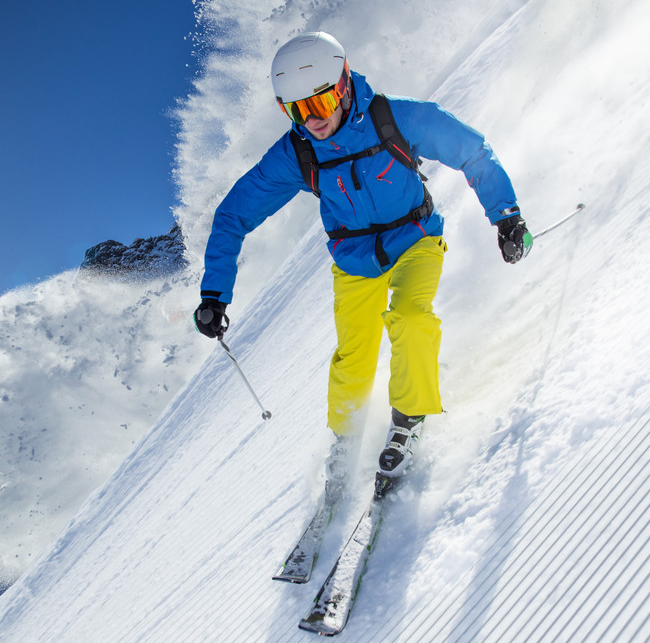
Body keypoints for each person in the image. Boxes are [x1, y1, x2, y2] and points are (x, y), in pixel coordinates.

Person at [194, 31, 530, 501]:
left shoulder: (395, 118)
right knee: (354, 356)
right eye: (298, 110)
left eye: (323, 101)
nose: (315, 120)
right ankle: (347, 439)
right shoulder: (299, 153)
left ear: (345, 81)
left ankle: (408, 423)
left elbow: (472, 151)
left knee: (411, 320)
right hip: (354, 260)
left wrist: (506, 216)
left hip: (415, 239)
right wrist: (214, 294)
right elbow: (234, 214)